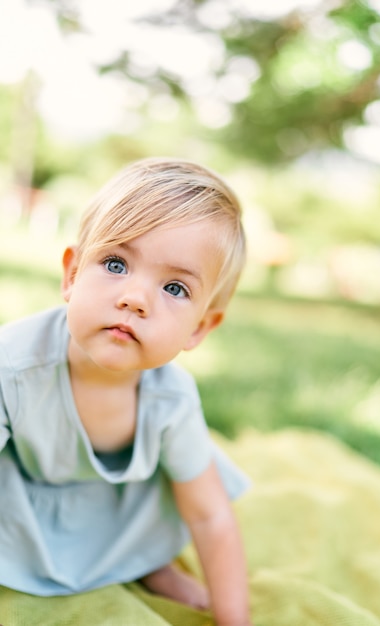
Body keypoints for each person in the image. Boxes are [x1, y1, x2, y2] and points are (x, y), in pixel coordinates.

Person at [0, 157, 253, 626]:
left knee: (187, 486)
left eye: (175, 288)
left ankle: (144, 559)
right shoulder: (13, 364)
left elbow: (209, 516)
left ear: (200, 328)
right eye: (115, 263)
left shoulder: (170, 398)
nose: (134, 298)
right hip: (24, 501)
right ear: (72, 275)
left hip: (118, 505)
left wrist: (233, 620)